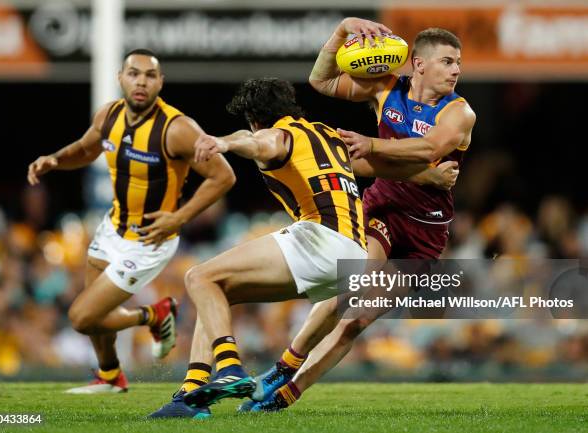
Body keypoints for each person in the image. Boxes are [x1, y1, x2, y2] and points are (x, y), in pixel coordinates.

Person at [147, 77, 457, 418]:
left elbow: (256, 142)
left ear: (255, 117)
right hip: (352, 263)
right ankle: (191, 396)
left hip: (320, 240)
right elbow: (381, 167)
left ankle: (231, 369)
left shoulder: (278, 134)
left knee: (198, 277)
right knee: (217, 295)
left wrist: (223, 143)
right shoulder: (329, 135)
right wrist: (431, 178)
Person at [241, 19, 475, 412]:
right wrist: (342, 31)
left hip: (427, 228)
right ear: (418, 64)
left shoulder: (460, 112)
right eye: (448, 61)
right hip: (382, 205)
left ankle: (284, 396)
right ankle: (285, 366)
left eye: (458, 63)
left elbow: (427, 146)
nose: (456, 70)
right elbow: (322, 81)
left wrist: (371, 144)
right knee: (349, 286)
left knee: (358, 321)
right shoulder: (386, 89)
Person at [26, 48, 235, 394]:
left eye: (150, 75)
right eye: (134, 73)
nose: (141, 81)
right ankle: (110, 376)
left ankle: (154, 315)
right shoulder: (109, 115)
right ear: (120, 78)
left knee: (82, 317)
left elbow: (223, 177)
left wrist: (179, 217)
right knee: (96, 317)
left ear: (160, 82)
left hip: (150, 239)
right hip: (113, 227)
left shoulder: (177, 128)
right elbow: (86, 148)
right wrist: (54, 160)